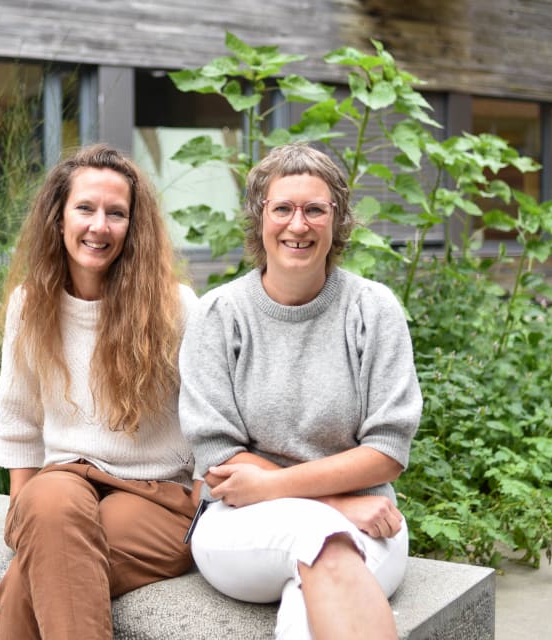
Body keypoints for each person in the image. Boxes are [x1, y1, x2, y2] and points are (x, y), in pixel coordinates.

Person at [178, 142, 423, 639]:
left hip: (370, 523)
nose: (298, 224)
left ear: (338, 222)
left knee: (306, 605)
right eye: (283, 208)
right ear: (259, 219)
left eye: (315, 210)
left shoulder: (373, 310)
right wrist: (333, 506)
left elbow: (387, 451)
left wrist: (278, 487)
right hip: (239, 523)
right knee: (321, 535)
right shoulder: (219, 315)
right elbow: (219, 457)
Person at [0, 144, 199, 640]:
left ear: (134, 226)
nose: (99, 226)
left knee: (26, 582)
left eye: (116, 213)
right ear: (58, 218)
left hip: (156, 498)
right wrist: (21, 519)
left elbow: (210, 421)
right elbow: (20, 423)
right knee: (51, 503)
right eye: (85, 208)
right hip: (61, 487)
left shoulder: (176, 308)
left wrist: (204, 512)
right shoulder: (29, 306)